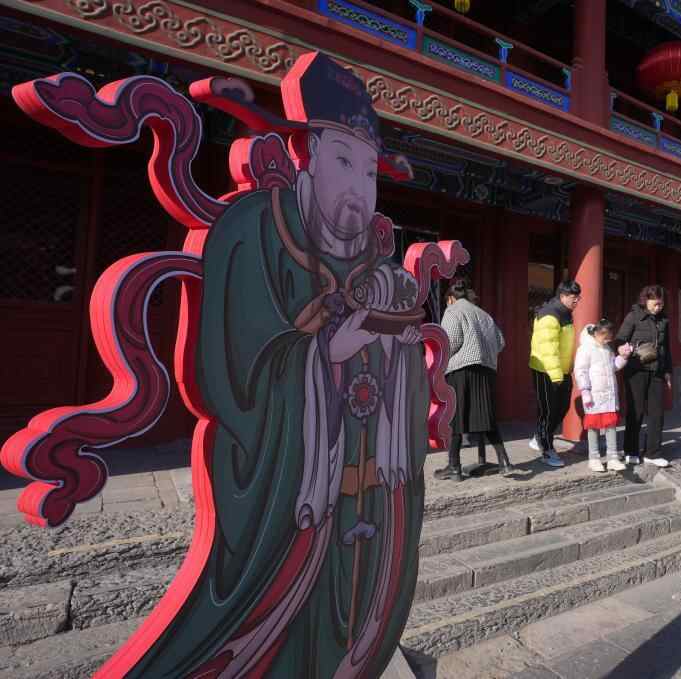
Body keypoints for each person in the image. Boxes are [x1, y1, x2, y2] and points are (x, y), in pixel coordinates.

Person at [129, 53, 430, 677]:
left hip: (366, 481)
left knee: (356, 593)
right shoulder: (255, 230)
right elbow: (235, 372)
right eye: (343, 162)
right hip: (289, 488)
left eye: (369, 172)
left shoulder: (373, 256)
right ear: (308, 154)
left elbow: (398, 361)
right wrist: (323, 355)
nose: (359, 190)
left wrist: (399, 350)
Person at [435, 278, 512, 482]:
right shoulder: (484, 314)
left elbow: (450, 342)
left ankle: (454, 467)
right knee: (487, 415)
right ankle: (504, 462)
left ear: (450, 299)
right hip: (486, 369)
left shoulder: (453, 311)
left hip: (461, 369)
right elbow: (501, 342)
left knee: (455, 416)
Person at [617, 285, 673, 467]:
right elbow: (620, 338)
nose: (658, 307)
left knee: (657, 413)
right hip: (636, 369)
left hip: (657, 370)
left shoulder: (663, 320)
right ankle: (631, 450)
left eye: (661, 304)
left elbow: (666, 348)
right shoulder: (634, 316)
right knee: (636, 411)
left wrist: (668, 371)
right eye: (655, 304)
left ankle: (653, 453)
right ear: (646, 300)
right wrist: (621, 348)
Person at [529, 280, 581, 468]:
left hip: (561, 369)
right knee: (548, 411)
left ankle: (539, 436)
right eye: (574, 297)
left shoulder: (565, 313)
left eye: (578, 297)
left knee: (562, 407)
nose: (577, 301)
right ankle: (547, 449)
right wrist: (557, 375)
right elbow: (548, 348)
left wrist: (567, 368)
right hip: (545, 370)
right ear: (563, 296)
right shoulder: (550, 314)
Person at [574, 319, 633, 473]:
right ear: (596, 333)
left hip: (609, 394)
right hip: (593, 394)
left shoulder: (607, 349)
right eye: (605, 337)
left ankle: (612, 458)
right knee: (593, 427)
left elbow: (613, 366)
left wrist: (623, 357)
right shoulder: (585, 349)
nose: (607, 340)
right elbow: (580, 371)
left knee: (611, 425)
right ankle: (593, 458)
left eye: (609, 337)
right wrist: (585, 390)